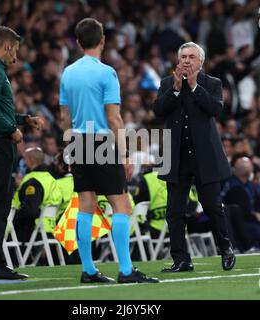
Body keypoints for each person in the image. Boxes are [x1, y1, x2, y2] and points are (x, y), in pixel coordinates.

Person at [59, 18, 158, 284]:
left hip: (78, 141)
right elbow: (114, 118)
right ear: (102, 40)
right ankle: (125, 270)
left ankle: (88, 270)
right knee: (121, 205)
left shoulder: (67, 73)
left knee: (86, 205)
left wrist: (69, 149)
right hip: (102, 142)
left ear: (78, 43)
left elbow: (64, 117)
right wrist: (125, 153)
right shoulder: (107, 73)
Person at [153, 41, 236, 272]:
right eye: (183, 57)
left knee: (211, 206)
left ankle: (225, 246)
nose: (186, 61)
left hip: (204, 156)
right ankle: (181, 259)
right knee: (174, 212)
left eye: (191, 57)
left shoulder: (212, 83)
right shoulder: (168, 83)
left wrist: (194, 85)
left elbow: (215, 109)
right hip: (176, 156)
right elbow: (158, 110)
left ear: (201, 61)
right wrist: (177, 89)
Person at [0, 26, 44, 280]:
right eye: (14, 49)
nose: (16, 55)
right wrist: (12, 129)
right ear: (6, 47)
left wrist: (24, 119)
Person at [12, 147, 62, 244]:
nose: (23, 162)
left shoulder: (33, 182)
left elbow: (30, 211)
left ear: (31, 160)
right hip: (50, 228)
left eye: (24, 158)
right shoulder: (50, 178)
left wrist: (11, 216)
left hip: (31, 230)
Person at [222, 156, 260, 252]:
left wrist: (259, 213)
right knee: (257, 230)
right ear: (236, 168)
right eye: (244, 166)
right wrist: (254, 215)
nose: (248, 169)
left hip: (252, 218)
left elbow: (258, 202)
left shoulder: (251, 185)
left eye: (249, 166)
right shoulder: (230, 185)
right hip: (240, 221)